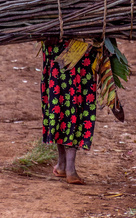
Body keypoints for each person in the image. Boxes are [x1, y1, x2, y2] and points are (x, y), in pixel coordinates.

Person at [40, 39, 100, 185]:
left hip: (56, 50)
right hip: (81, 51)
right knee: (76, 104)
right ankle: (69, 169)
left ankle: (63, 165)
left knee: (58, 103)